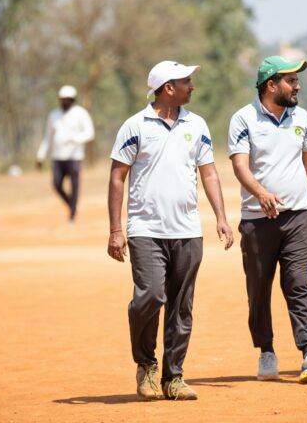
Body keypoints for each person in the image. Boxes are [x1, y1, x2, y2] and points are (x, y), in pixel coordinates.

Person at [107, 60, 234, 401]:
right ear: (168, 88)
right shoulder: (135, 126)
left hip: (188, 230)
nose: (192, 86)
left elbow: (208, 172)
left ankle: (172, 377)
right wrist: (116, 230)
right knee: (149, 297)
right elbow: (117, 176)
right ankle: (145, 363)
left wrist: (220, 216)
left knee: (181, 305)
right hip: (145, 229)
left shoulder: (197, 124)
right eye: (186, 81)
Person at [228, 55, 307, 384]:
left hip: (298, 218)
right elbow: (239, 166)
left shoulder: (302, 117)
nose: (298, 86)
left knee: (297, 283)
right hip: (256, 220)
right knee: (258, 290)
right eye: (291, 80)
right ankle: (266, 350)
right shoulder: (243, 119)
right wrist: (260, 193)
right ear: (271, 85)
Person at [36, 85, 94, 222]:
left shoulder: (81, 113)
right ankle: (71, 205)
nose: (64, 101)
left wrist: (75, 139)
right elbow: (47, 137)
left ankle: (72, 214)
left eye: (67, 99)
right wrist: (40, 155)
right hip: (57, 156)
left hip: (74, 156)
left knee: (74, 185)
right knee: (56, 184)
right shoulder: (53, 115)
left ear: (72, 99)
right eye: (62, 99)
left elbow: (89, 133)